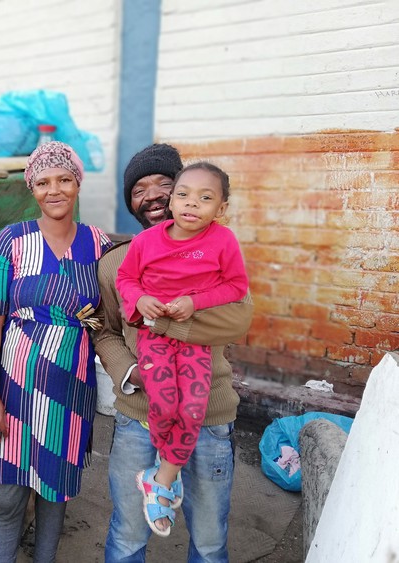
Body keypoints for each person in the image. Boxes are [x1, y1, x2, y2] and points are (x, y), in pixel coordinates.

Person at [94, 143, 254, 563]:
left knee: (208, 540)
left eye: (165, 184)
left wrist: (165, 322)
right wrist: (129, 372)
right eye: (139, 189)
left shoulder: (217, 253)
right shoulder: (116, 263)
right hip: (138, 415)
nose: (153, 195)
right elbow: (103, 328)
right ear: (130, 201)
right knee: (127, 535)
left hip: (210, 413)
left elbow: (238, 320)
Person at [0, 141, 113, 563]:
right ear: (32, 188)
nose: (55, 190)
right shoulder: (10, 242)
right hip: (14, 391)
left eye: (64, 179)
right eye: (44, 182)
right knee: (8, 498)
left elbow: (107, 320)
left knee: (55, 496)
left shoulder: (98, 244)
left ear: (78, 185)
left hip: (70, 393)